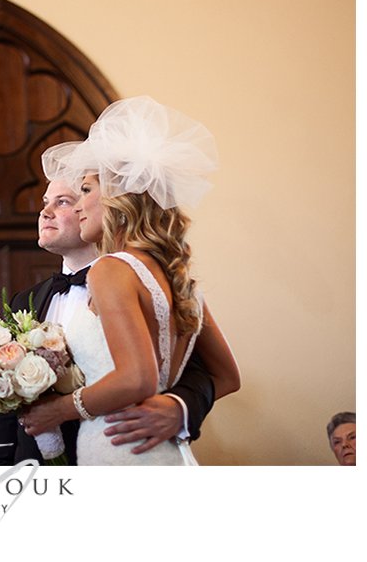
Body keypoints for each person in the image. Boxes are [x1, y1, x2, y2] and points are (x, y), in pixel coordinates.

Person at [21, 95, 241, 464]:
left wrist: (59, 410)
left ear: (120, 199)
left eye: (86, 191)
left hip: (120, 451)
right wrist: (168, 402)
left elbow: (137, 378)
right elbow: (229, 376)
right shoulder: (178, 277)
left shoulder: (111, 269)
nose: (77, 205)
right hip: (166, 453)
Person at [0, 177, 218, 465]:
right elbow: (4, 409)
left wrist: (180, 407)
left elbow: (199, 371)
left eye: (64, 201)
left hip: (123, 448)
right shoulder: (24, 302)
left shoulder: (128, 275)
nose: (44, 212)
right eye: (45, 203)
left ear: (112, 203)